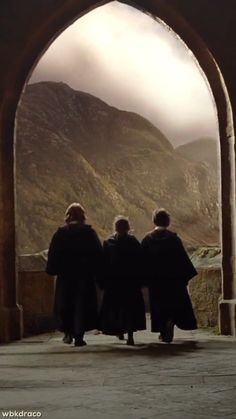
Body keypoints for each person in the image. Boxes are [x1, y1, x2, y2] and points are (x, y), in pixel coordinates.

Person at [46, 203, 103, 347]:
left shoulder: (60, 234)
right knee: (82, 305)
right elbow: (98, 255)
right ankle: (79, 335)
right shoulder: (89, 233)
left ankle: (67, 333)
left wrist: (53, 269)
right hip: (84, 275)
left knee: (66, 304)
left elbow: (53, 255)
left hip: (66, 276)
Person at [141, 209, 197, 343]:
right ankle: (171, 321)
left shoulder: (147, 240)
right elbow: (183, 260)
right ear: (168, 222)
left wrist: (144, 279)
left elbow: (142, 261)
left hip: (156, 281)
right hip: (173, 280)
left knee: (159, 306)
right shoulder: (174, 239)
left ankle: (162, 330)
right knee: (173, 304)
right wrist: (183, 277)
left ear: (154, 221)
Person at [99, 216, 146, 345]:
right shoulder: (133, 242)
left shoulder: (108, 243)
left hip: (113, 283)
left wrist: (102, 282)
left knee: (116, 308)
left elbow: (103, 264)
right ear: (128, 228)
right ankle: (130, 336)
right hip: (130, 282)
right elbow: (140, 262)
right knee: (130, 309)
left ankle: (119, 330)